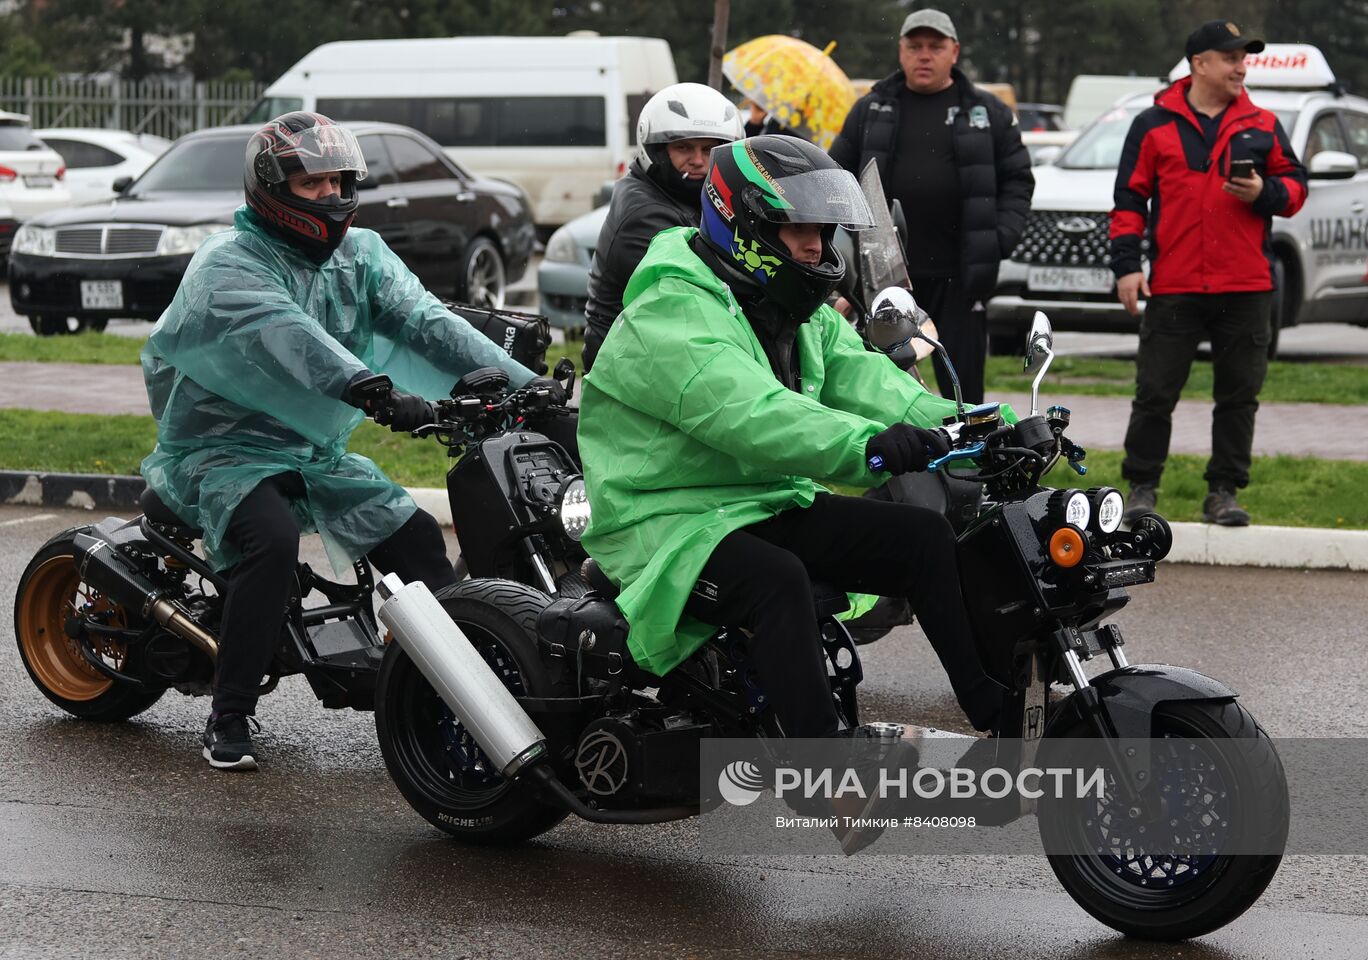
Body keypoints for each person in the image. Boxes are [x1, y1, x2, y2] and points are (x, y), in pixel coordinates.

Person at [140, 112, 564, 771]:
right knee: (272, 541)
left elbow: (427, 322)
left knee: (418, 538)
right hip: (220, 451)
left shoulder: (359, 256)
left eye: (340, 181)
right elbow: (288, 337)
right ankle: (229, 714)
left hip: (315, 452)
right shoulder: (228, 267)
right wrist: (372, 389)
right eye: (313, 184)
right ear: (271, 187)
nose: (333, 197)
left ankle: (436, 684)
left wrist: (528, 389)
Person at [578, 135, 1009, 741]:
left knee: (926, 538)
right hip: (665, 516)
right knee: (777, 579)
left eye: (823, 230)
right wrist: (872, 445)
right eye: (798, 230)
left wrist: (986, 423)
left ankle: (1002, 713)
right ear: (744, 226)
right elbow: (753, 415)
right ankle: (826, 776)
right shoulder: (670, 310)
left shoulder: (792, 304)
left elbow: (872, 382)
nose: (817, 246)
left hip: (755, 502)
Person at [1112, 21, 1307, 526]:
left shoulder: (1263, 123)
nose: (1243, 67)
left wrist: (1264, 192)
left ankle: (1224, 493)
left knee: (1239, 398)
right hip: (1174, 284)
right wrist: (1127, 267)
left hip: (1246, 287)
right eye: (1232, 58)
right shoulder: (1152, 123)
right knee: (1155, 393)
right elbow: (1129, 201)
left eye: (1245, 58)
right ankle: (1141, 488)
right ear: (1200, 64)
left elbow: (1296, 189)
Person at [829, 8, 1032, 404]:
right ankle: (900, 461)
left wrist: (999, 239)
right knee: (887, 384)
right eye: (915, 46)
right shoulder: (871, 110)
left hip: (961, 276)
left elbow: (1018, 181)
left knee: (964, 388)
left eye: (935, 47)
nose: (925, 55)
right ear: (901, 52)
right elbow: (835, 182)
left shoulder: (987, 113)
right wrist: (844, 261)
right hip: (885, 277)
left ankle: (972, 461)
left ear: (954, 52)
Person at [581, 83, 744, 370]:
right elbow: (703, 293)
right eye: (684, 148)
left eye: (709, 149)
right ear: (656, 150)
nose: (698, 160)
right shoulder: (647, 215)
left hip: (659, 350)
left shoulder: (683, 197)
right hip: (631, 368)